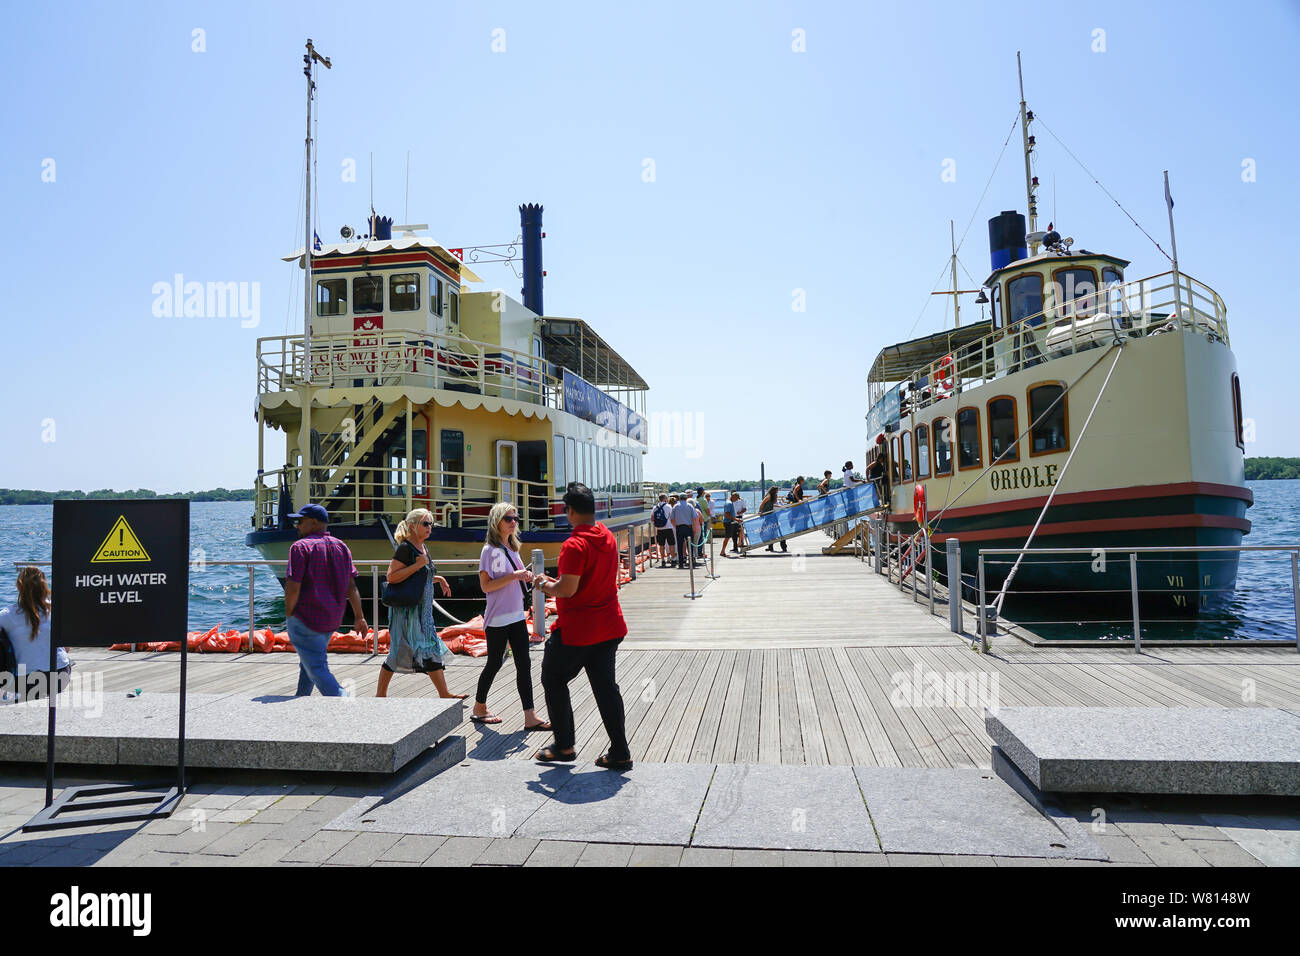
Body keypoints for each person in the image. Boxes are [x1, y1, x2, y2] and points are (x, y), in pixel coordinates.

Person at [533, 482, 632, 770]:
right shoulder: (607, 537)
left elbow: (567, 589)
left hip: (579, 630)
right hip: (609, 625)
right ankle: (620, 751)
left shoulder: (574, 545)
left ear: (570, 510)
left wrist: (543, 584)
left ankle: (564, 745)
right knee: (605, 688)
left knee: (553, 678)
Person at [472, 502, 550, 729]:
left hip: (516, 614)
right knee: (494, 662)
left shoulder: (513, 548)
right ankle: (479, 707)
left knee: (524, 664)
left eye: (515, 518)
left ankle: (529, 716)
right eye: (508, 518)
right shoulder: (489, 551)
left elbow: (513, 578)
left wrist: (523, 577)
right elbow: (486, 586)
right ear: (497, 522)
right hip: (497, 617)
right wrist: (514, 575)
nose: (514, 522)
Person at [376, 507, 465, 699]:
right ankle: (380, 694)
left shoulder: (423, 547)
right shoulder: (406, 548)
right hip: (408, 612)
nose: (429, 527)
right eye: (425, 523)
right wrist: (417, 564)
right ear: (412, 526)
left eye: (431, 524)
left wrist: (438, 578)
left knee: (430, 648)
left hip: (423, 613)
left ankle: (444, 693)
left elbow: (418, 577)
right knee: (399, 651)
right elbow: (392, 577)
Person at [284, 504, 367, 697]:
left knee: (318, 668)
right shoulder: (341, 546)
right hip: (331, 619)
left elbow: (293, 586)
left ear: (313, 522)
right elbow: (351, 586)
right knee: (309, 662)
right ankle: (301, 698)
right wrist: (359, 617)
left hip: (306, 618)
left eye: (300, 521)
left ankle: (344, 702)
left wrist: (289, 613)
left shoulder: (299, 547)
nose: (297, 526)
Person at [0, 567, 70, 702]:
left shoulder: (7, 616)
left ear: (18, 587)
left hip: (26, 682)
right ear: (44, 586)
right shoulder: (56, 610)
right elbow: (66, 648)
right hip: (60, 677)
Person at [670, 492, 697, 568]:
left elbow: (671, 518)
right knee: (690, 546)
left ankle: (681, 563)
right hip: (688, 527)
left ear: (679, 498)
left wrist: (676, 526)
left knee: (680, 546)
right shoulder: (690, 506)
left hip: (679, 527)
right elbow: (695, 517)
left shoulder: (675, 506)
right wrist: (694, 528)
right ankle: (691, 561)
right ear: (686, 498)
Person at [758, 485, 788, 553]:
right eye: (777, 491)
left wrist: (780, 506)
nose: (777, 492)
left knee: (775, 530)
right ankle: (771, 546)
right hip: (768, 515)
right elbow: (762, 504)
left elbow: (772, 505)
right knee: (772, 530)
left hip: (771, 515)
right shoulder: (769, 496)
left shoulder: (773, 496)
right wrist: (759, 511)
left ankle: (783, 547)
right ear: (773, 491)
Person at [652, 493, 675, 568]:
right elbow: (672, 517)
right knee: (671, 544)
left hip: (659, 529)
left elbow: (652, 519)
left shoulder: (655, 507)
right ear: (665, 499)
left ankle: (662, 560)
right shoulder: (668, 506)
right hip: (668, 528)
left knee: (661, 545)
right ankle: (673, 559)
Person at [719, 492, 744, 557]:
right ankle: (722, 551)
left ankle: (739, 543)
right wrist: (736, 519)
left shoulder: (729, 502)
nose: (737, 500)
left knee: (740, 529)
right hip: (728, 522)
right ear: (733, 497)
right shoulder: (729, 503)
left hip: (731, 522)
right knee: (727, 537)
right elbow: (727, 513)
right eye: (736, 499)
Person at [693, 487, 711, 560]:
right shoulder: (703, 500)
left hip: (696, 520)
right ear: (702, 492)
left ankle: (696, 552)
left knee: (696, 538)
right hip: (703, 520)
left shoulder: (695, 499)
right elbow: (707, 511)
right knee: (701, 537)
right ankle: (700, 552)